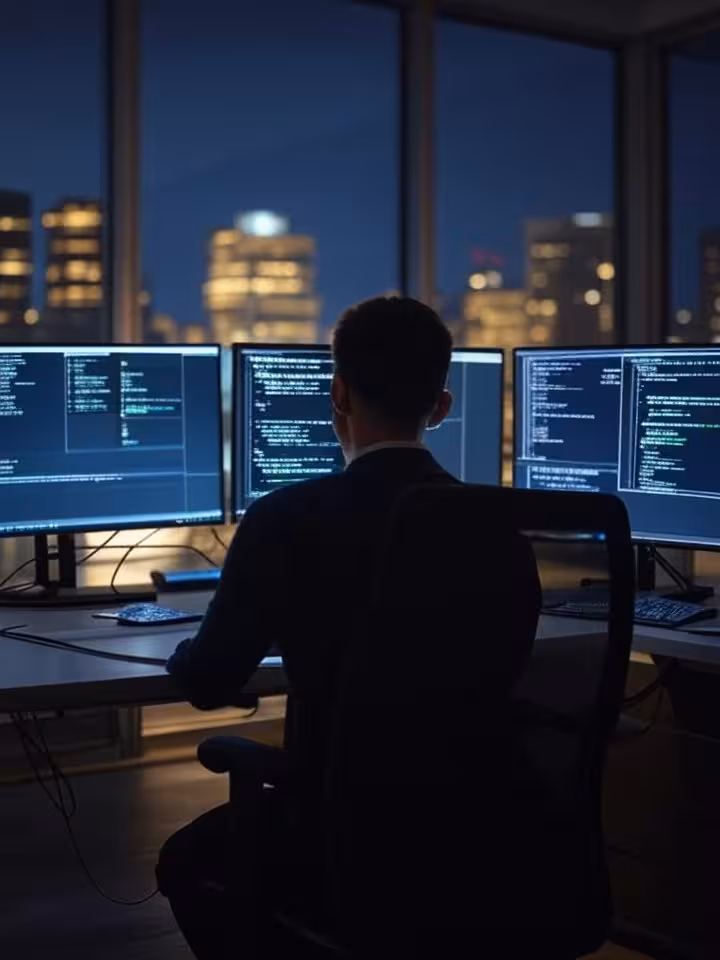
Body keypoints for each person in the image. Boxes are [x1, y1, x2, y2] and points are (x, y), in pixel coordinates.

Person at [157, 296, 455, 959]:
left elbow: (209, 683)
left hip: (342, 825)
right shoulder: (494, 524)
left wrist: (184, 650)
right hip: (470, 819)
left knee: (184, 862)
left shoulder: (289, 517)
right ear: (442, 406)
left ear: (338, 393)